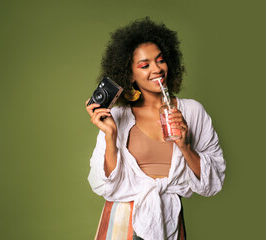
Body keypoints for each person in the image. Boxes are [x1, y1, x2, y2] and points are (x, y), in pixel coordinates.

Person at [85, 17, 226, 240]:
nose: (156, 69)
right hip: (122, 222)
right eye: (145, 65)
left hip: (169, 220)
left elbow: (213, 181)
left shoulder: (193, 112)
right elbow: (104, 185)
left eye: (160, 61)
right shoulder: (118, 117)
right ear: (129, 74)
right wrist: (111, 136)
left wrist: (185, 145)